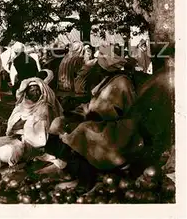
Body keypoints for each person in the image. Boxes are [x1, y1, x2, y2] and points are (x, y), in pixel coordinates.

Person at [47, 43, 142, 188]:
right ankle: (64, 166)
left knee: (83, 129)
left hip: (120, 127)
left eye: (99, 63)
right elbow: (95, 103)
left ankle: (82, 178)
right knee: (59, 122)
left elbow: (111, 110)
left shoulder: (122, 81)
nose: (96, 66)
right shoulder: (108, 79)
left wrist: (88, 113)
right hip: (102, 120)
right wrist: (77, 111)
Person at [0, 77, 64, 168]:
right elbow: (13, 126)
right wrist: (23, 124)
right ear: (26, 93)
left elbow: (37, 132)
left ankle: (5, 157)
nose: (35, 93)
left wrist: (22, 123)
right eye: (32, 90)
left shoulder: (43, 106)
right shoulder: (21, 105)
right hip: (16, 137)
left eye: (37, 90)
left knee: (9, 151)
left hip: (31, 144)